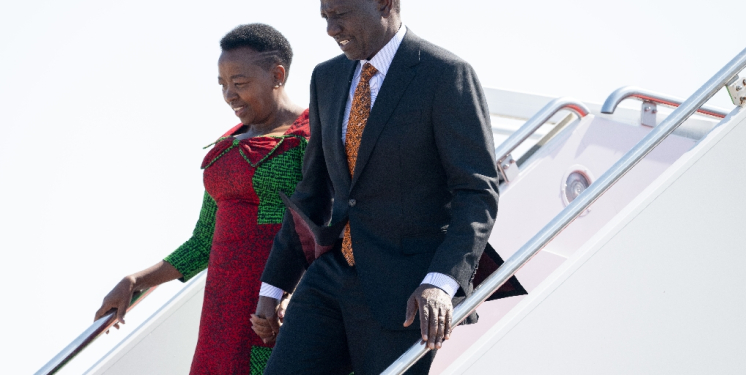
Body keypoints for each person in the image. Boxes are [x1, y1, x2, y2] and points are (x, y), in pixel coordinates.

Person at [253, 0, 525, 374]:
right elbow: (312, 190)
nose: (331, 29)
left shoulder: (445, 75)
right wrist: (274, 285)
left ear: (385, 3)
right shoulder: (326, 78)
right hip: (328, 278)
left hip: (407, 296)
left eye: (340, 14)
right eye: (325, 17)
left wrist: (441, 283)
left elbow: (476, 192)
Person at [94, 23, 308, 374]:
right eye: (222, 85)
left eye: (239, 84)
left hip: (277, 309)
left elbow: (326, 231)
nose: (229, 95)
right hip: (223, 314)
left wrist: (290, 294)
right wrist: (136, 280)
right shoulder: (227, 146)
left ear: (277, 74)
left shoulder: (310, 136)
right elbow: (204, 242)